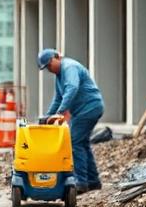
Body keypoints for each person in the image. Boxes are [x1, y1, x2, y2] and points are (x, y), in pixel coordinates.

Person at [38, 49, 105, 192]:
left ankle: (80, 183)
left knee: (74, 141)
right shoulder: (59, 76)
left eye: (49, 65)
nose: (49, 70)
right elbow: (58, 98)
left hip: (89, 108)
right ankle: (93, 181)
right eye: (46, 68)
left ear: (56, 57)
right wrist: (48, 116)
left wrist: (61, 112)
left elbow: (72, 88)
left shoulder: (69, 67)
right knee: (82, 143)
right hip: (84, 110)